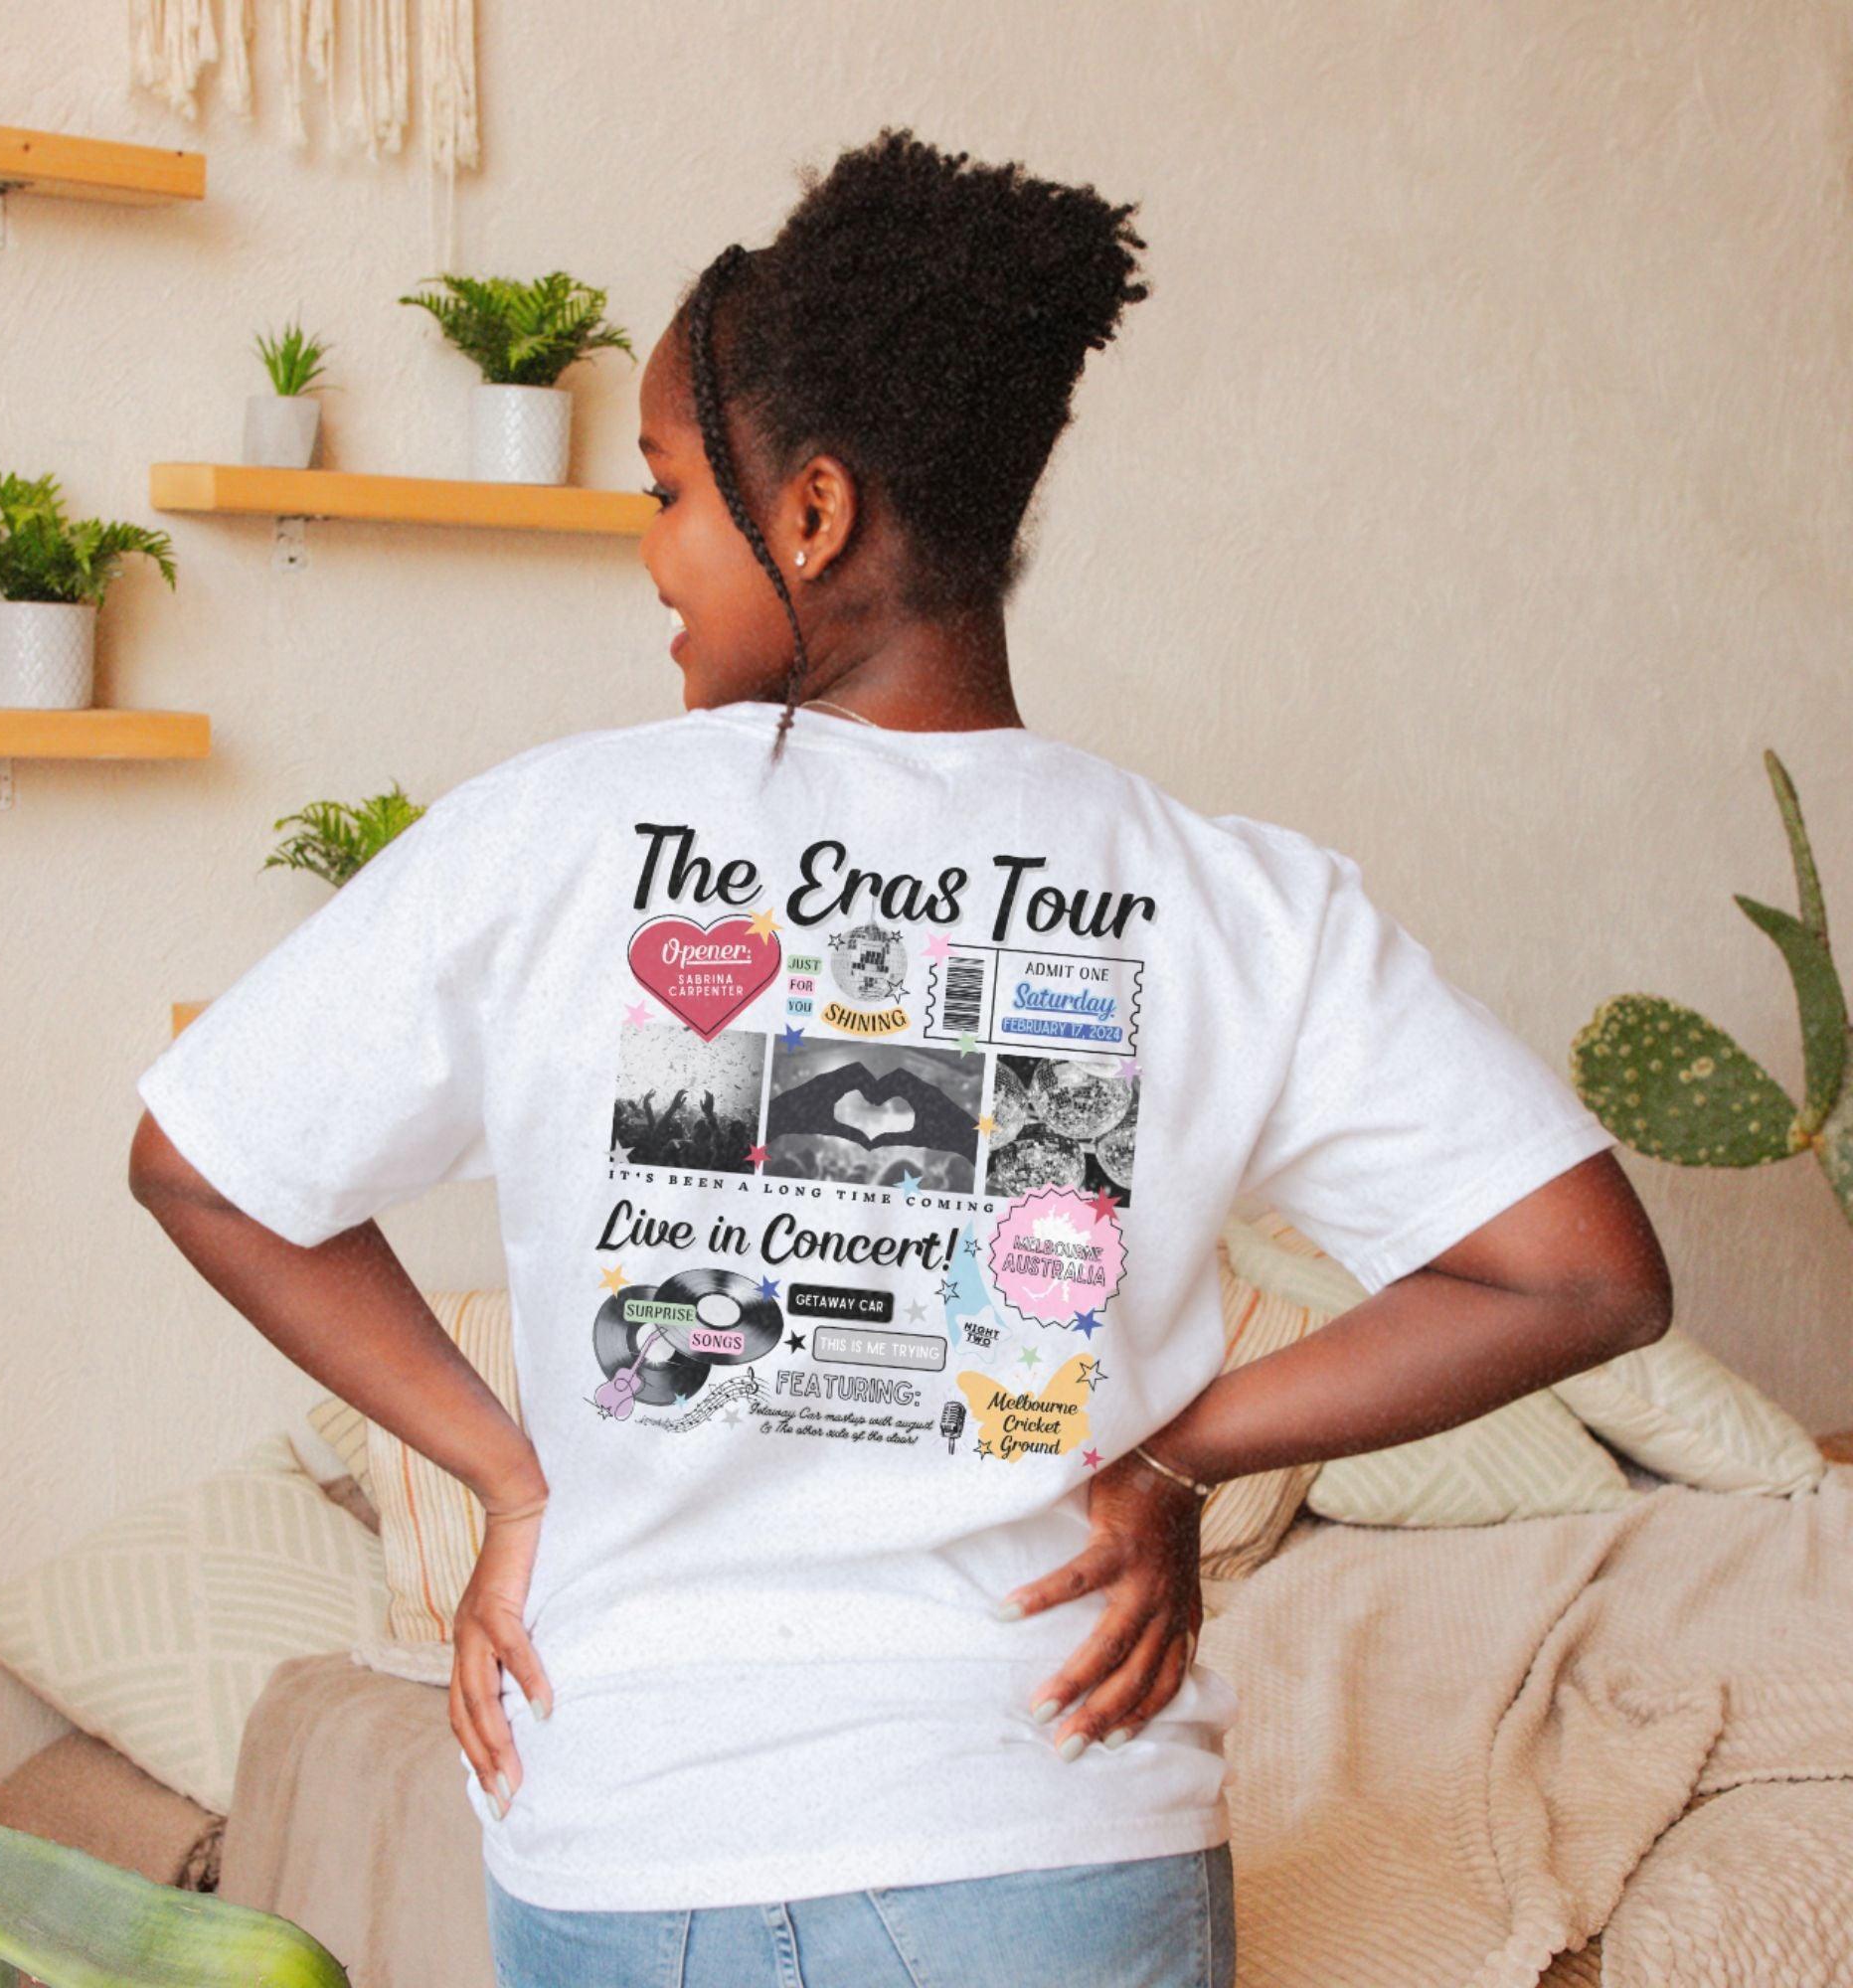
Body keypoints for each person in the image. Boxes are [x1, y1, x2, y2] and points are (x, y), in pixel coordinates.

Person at [128, 126, 1672, 1988]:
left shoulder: (546, 837)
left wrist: (510, 1481)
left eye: (671, 491)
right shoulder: (1232, 899)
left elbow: (201, 1166)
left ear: (814, 514)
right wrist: (1177, 1463)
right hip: (1050, 1836)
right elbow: (1583, 1272)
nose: (653, 550)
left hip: (637, 1841)